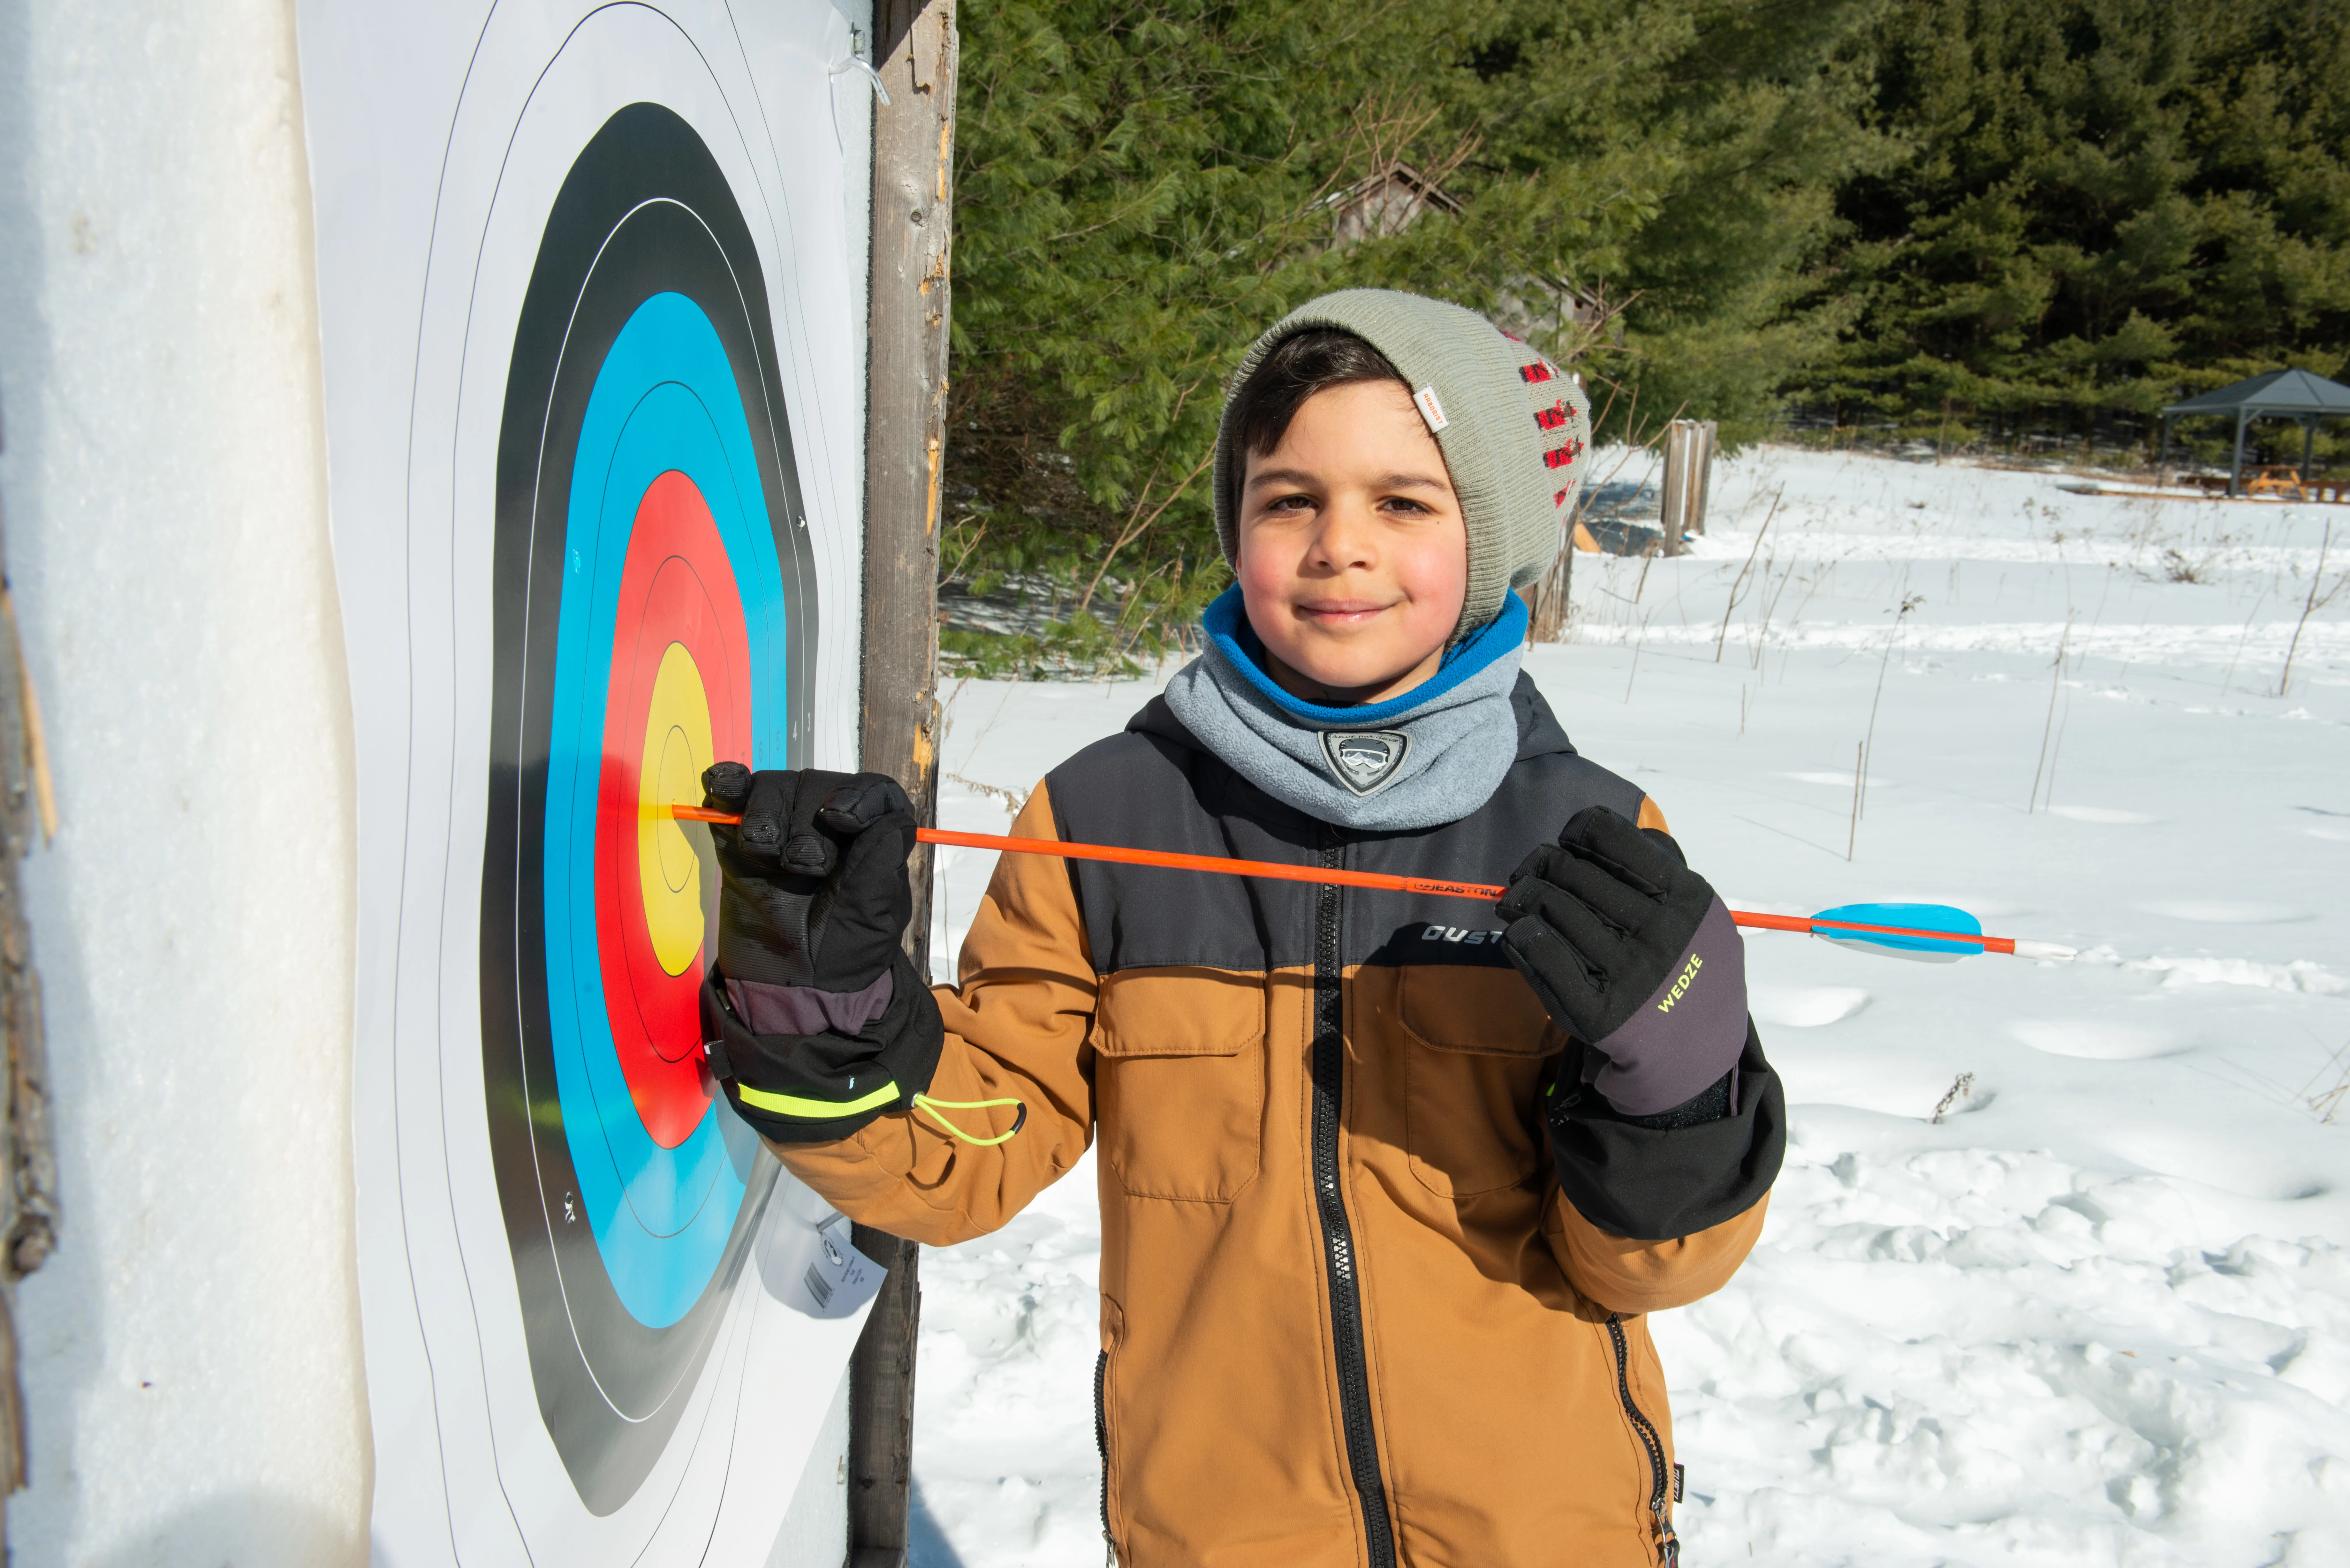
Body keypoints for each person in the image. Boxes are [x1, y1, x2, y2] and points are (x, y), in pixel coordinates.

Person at [697, 289, 1784, 1567]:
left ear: (1483, 540)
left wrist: (1678, 1089)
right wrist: (826, 1013)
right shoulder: (1106, 815)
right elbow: (973, 1149)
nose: (1339, 546)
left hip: (1544, 1532)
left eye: (1402, 501)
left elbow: (1645, 1270)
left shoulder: (1589, 833)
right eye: (1287, 500)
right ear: (1236, 526)